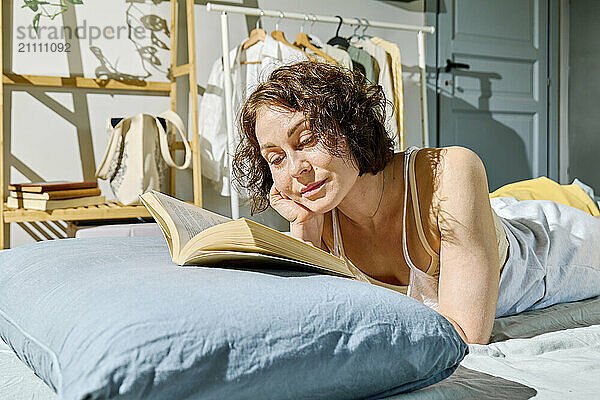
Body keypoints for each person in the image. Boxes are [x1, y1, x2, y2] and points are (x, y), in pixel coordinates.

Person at [233, 61, 600, 344]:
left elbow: (466, 334)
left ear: (350, 124)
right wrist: (305, 233)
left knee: (575, 202)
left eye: (307, 138)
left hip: (554, 246)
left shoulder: (452, 169)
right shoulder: (320, 208)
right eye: (276, 158)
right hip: (478, 218)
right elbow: (311, 319)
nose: (296, 170)